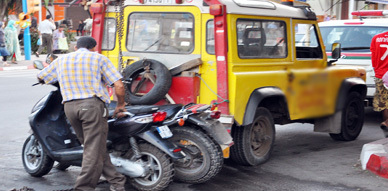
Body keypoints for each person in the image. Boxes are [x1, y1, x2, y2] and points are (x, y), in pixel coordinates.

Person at [37, 36, 127, 191]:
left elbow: (41, 77)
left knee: (93, 147)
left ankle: (117, 182)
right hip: (91, 107)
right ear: (93, 47)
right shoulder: (99, 58)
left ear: (76, 47)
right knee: (93, 148)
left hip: (70, 109)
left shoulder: (61, 60)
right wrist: (120, 104)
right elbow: (118, 85)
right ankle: (83, 188)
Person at [371, 31, 388, 130]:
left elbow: (373, 56)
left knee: (385, 103)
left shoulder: (376, 38)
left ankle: (386, 123)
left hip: (380, 74)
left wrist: (376, 69)